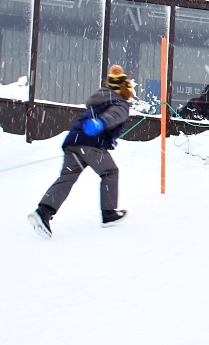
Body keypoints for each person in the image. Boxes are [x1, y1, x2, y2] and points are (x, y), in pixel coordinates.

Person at [29, 65, 133, 238]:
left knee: (67, 177)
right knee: (110, 172)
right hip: (90, 143)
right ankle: (109, 214)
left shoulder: (102, 98)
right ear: (124, 89)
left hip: (74, 141)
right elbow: (113, 116)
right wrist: (102, 123)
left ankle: (43, 212)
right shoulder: (120, 103)